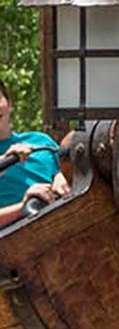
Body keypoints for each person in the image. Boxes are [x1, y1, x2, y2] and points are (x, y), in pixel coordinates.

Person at [0, 82, 66, 227]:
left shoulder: (40, 140)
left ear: (9, 104)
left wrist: (62, 176)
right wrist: (22, 207)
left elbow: (70, 170)